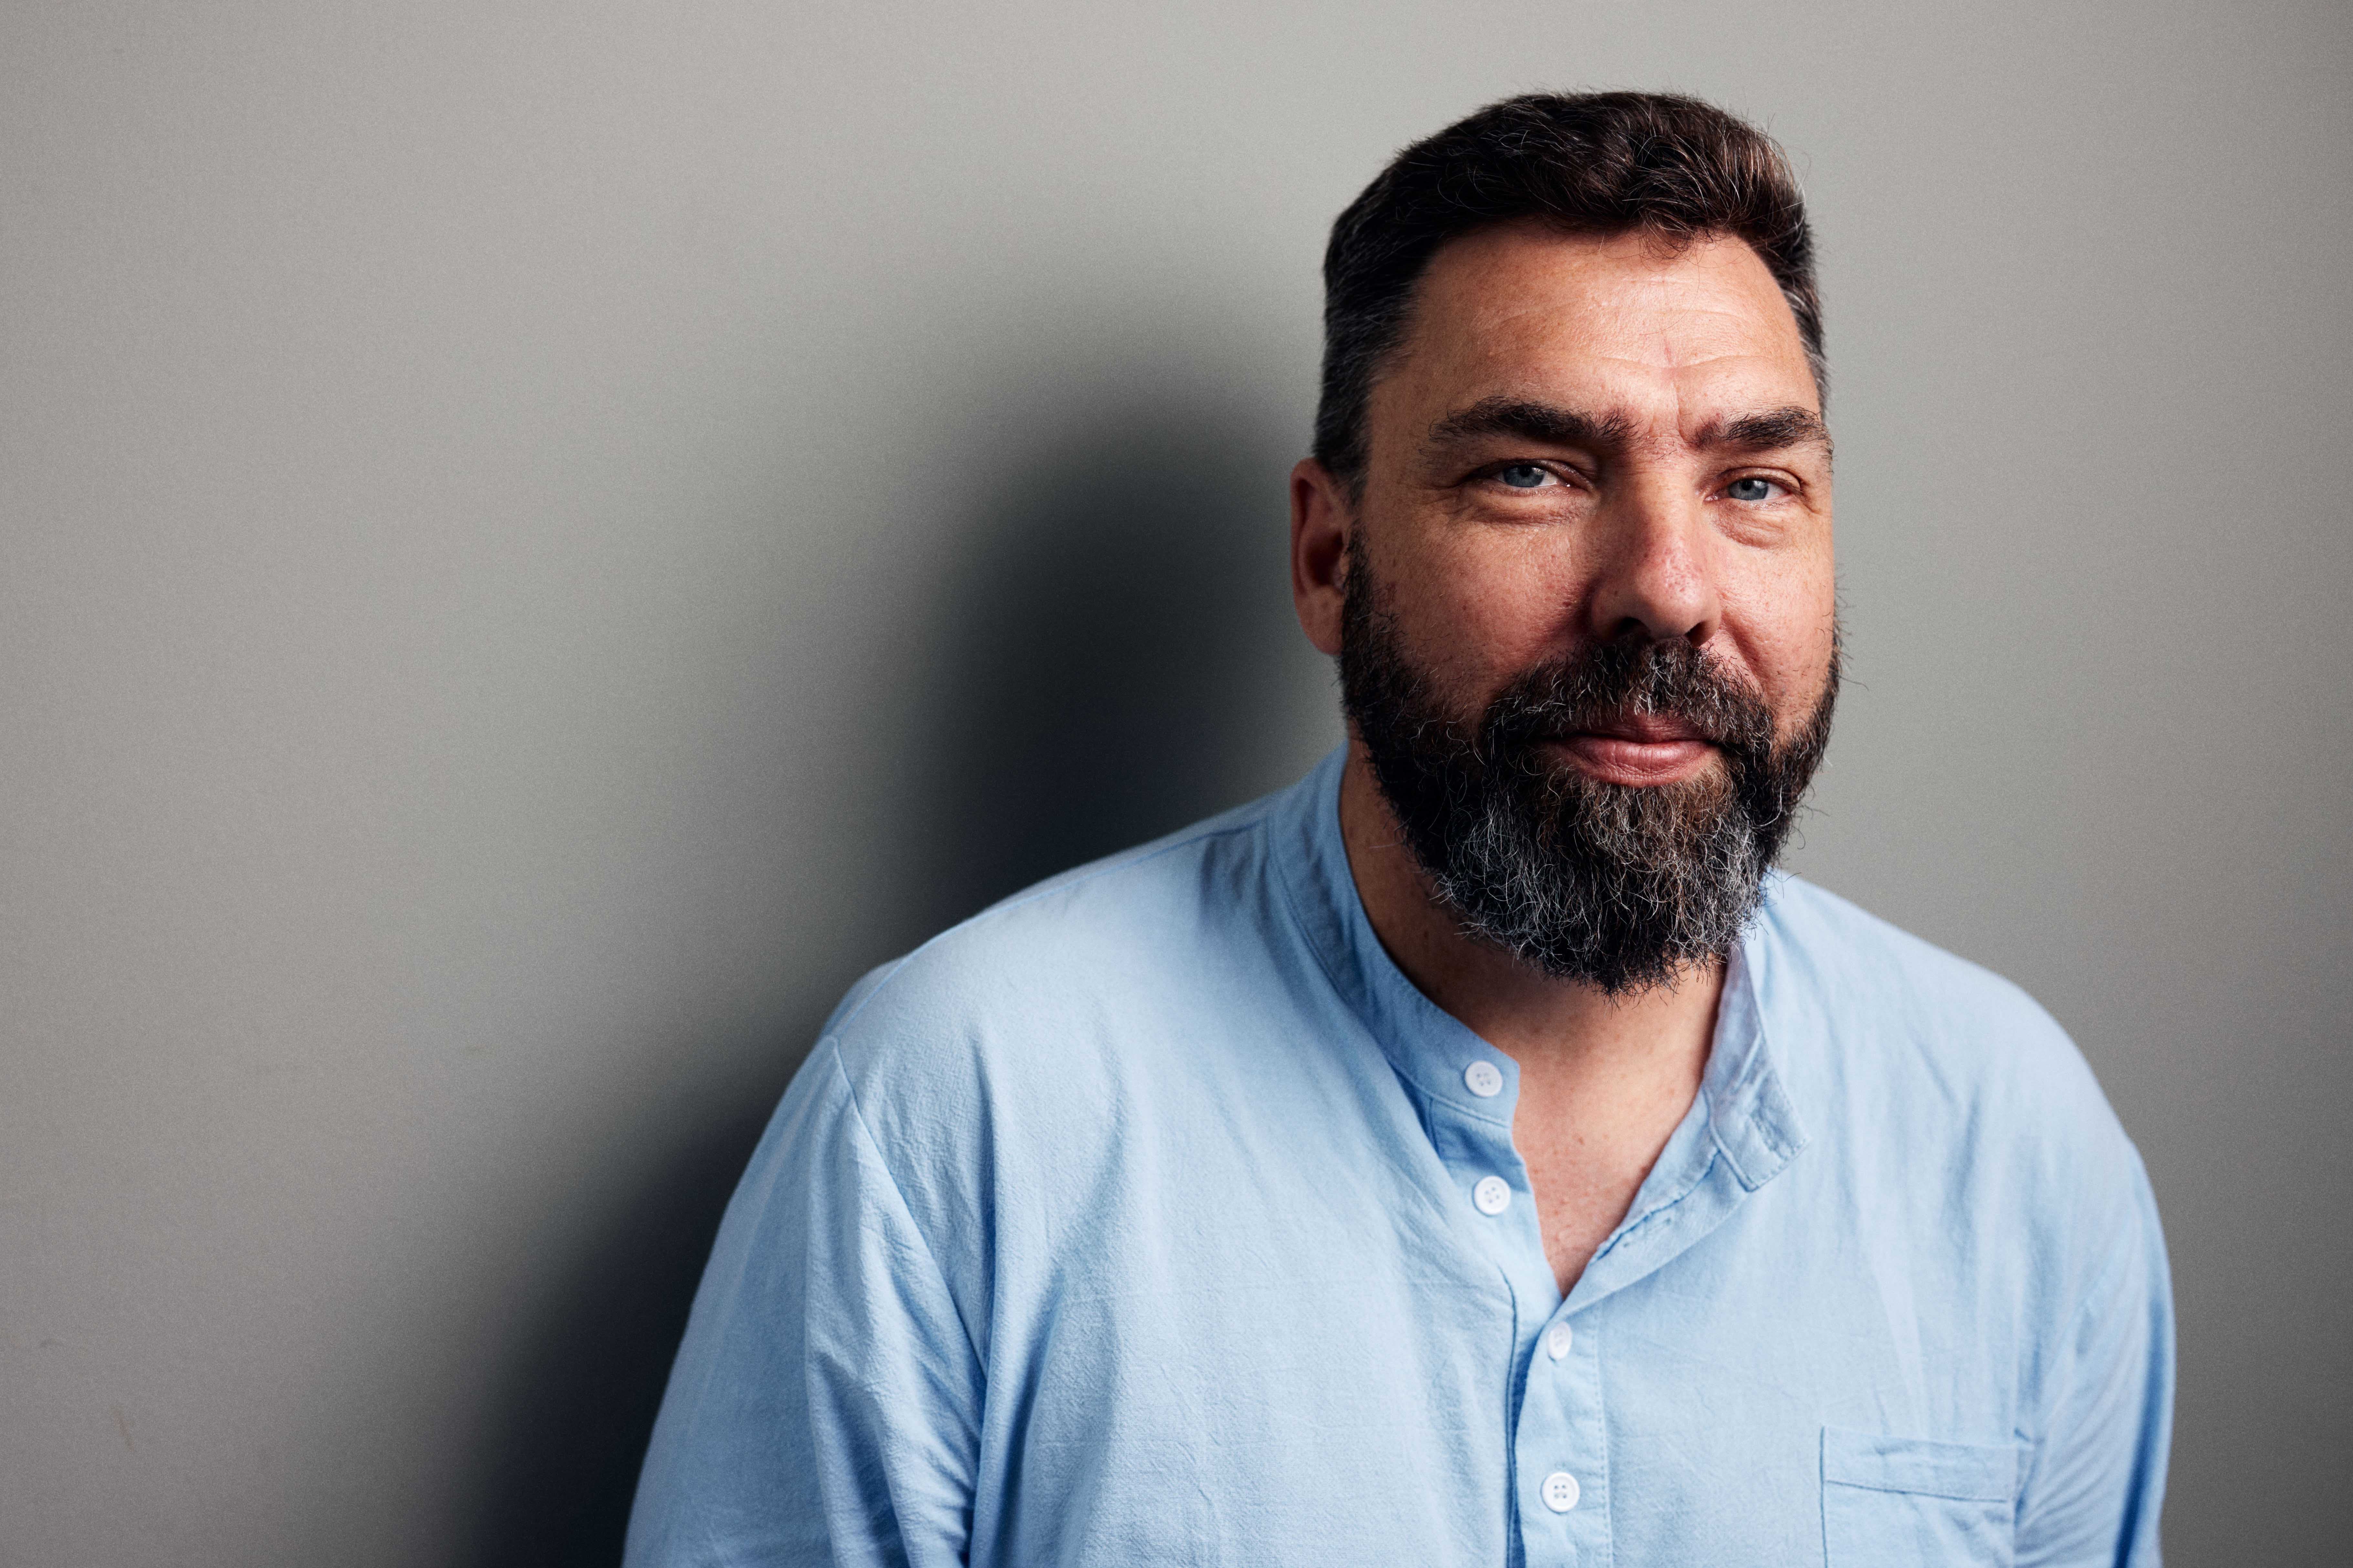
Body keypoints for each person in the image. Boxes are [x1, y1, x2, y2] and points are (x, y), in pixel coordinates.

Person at [624, 91, 2172, 1567]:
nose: (1666, 587)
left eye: (1754, 483)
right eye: (1531, 472)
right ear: (1328, 556)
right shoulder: (954, 1112)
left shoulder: (2010, 1149)